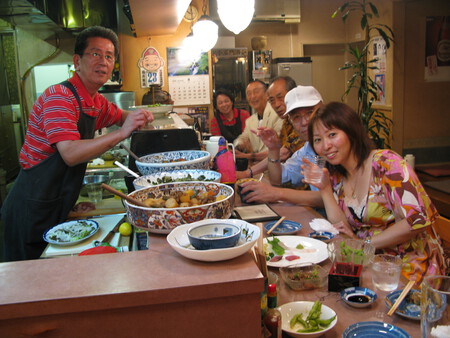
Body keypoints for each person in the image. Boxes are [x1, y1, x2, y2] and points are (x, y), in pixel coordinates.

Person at [0, 26, 154, 261]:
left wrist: (139, 116)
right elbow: (70, 153)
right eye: (95, 53)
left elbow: (121, 115)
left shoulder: (95, 100)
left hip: (55, 205)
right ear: (77, 61)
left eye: (109, 56)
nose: (103, 61)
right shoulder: (59, 97)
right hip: (31, 209)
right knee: (28, 285)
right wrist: (123, 132)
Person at [305, 101, 444, 283]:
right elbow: (341, 226)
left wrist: (365, 246)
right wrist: (324, 189)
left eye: (332, 134)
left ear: (351, 131)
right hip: (370, 264)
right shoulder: (338, 175)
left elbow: (418, 219)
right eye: (318, 140)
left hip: (410, 268)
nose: (326, 145)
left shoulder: (387, 164)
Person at [239, 85, 324, 207]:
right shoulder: (308, 149)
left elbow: (329, 197)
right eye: (296, 117)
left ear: (323, 109)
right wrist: (273, 150)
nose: (305, 122)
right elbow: (278, 179)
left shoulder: (337, 145)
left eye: (310, 112)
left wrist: (277, 193)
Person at [236, 76, 300, 179]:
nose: (277, 104)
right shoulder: (287, 121)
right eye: (272, 100)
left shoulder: (297, 121)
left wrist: (248, 166)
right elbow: (279, 151)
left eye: (280, 97)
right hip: (283, 176)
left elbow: (283, 153)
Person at [234, 80, 282, 163]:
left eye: (256, 92)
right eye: (249, 93)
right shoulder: (250, 121)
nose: (252, 96)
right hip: (258, 168)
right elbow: (243, 137)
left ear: (267, 94)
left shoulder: (277, 114)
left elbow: (279, 148)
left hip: (278, 166)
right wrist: (240, 144)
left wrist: (249, 156)